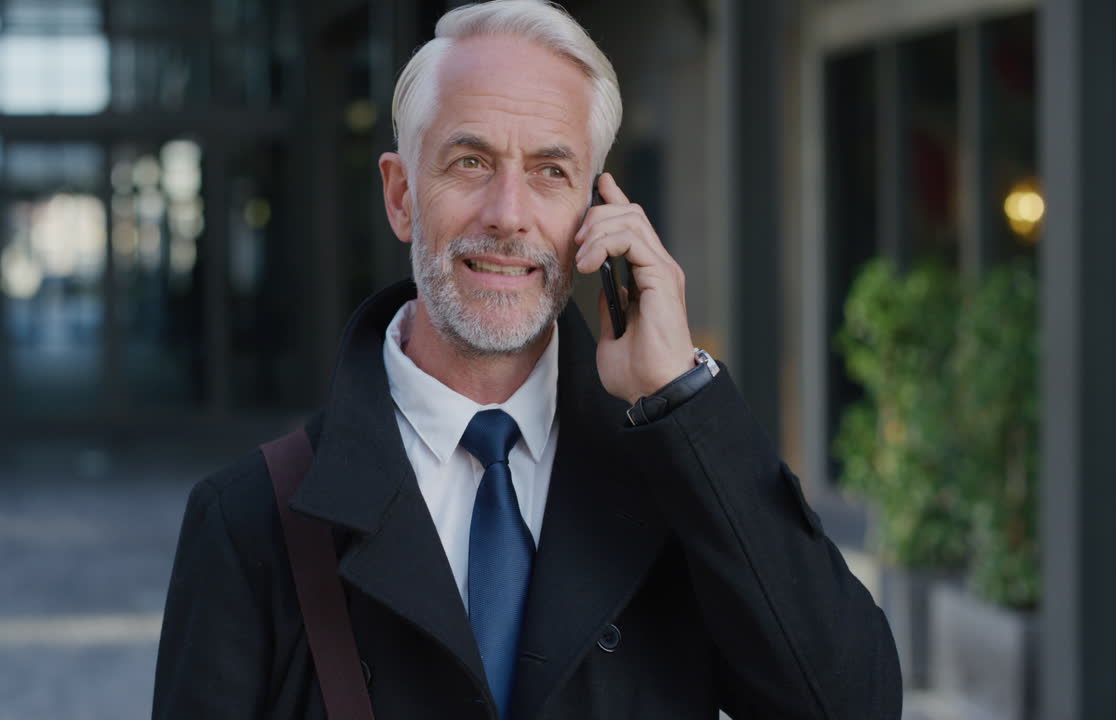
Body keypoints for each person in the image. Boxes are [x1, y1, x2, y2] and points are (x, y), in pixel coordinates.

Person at [153, 1, 902, 718]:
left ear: (598, 211)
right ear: (401, 194)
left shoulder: (675, 483)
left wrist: (682, 400)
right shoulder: (249, 518)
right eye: (471, 161)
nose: (508, 214)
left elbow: (851, 703)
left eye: (551, 171)